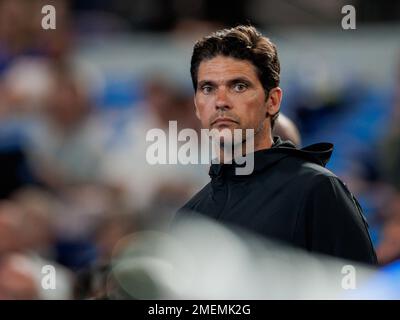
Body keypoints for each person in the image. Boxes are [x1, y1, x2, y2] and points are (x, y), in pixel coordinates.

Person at [176, 25, 377, 265]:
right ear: (197, 106)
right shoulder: (188, 217)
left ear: (272, 101)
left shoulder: (317, 190)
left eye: (239, 86)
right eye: (208, 88)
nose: (220, 102)